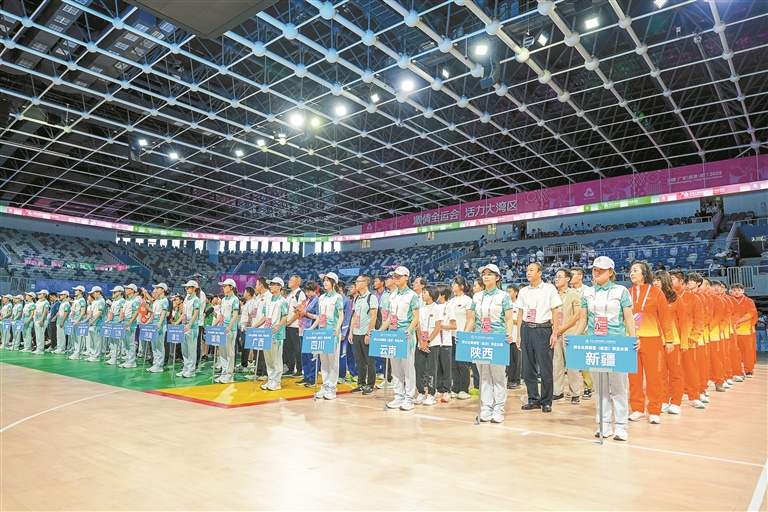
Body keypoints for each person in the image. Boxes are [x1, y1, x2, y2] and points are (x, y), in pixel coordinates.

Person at [570, 256, 638, 441]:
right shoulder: (587, 293)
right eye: (594, 269)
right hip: (595, 344)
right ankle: (604, 424)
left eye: (601, 269)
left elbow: (629, 318)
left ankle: (621, 426)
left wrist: (633, 338)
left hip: (617, 344)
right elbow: (583, 319)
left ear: (611, 272)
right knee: (600, 388)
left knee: (618, 387)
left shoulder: (621, 291)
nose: (597, 272)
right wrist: (574, 337)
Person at [627, 262, 673, 424]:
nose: (632, 273)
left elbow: (665, 318)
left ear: (644, 273)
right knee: (634, 377)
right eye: (631, 271)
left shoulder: (656, 292)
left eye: (635, 270)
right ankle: (638, 409)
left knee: (654, 376)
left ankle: (654, 410)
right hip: (631, 340)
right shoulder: (627, 292)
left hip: (652, 339)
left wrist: (669, 340)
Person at [516, 263, 562, 413]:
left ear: (540, 272)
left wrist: (555, 333)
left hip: (543, 329)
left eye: (531, 270)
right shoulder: (523, 291)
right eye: (527, 270)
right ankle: (533, 399)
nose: (528, 272)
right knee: (528, 368)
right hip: (526, 329)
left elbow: (555, 311)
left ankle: (546, 400)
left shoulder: (549, 289)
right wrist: (519, 335)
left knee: (545, 368)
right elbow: (521, 313)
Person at [474, 263, 516, 423]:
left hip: (497, 339)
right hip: (480, 339)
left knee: (498, 375)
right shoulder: (477, 296)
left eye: (490, 274)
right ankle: (486, 407)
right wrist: (464, 334)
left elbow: (509, 318)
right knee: (484, 374)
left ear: (497, 277)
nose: (486, 276)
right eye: (484, 274)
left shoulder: (503, 296)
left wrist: (509, 333)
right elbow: (472, 319)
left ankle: (499, 408)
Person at [381, 266, 420, 411]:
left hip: (405, 336)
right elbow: (390, 317)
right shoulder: (393, 295)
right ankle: (399, 395)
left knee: (408, 368)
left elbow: (416, 317)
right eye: (394, 276)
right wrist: (380, 331)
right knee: (396, 367)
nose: (396, 278)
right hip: (393, 335)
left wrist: (408, 331)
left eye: (399, 276)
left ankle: (409, 397)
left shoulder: (412, 296)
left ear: (406, 277)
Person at [669, 271, 706, 409]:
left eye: (672, 279)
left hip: (687, 340)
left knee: (690, 369)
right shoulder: (666, 297)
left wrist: (693, 337)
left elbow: (699, 320)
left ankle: (694, 396)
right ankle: (671, 396)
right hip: (670, 341)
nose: (669, 281)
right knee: (671, 371)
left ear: (682, 282)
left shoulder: (693, 298)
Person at [653, 271, 686, 415]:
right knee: (660, 373)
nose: (655, 283)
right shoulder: (652, 297)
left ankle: (676, 402)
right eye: (654, 280)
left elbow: (684, 322)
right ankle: (664, 400)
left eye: (658, 280)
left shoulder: (676, 299)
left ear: (665, 281)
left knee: (675, 373)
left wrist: (683, 343)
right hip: (655, 340)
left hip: (673, 341)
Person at [310, 272, 344, 400]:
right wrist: (312, 328)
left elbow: (341, 316)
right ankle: (325, 385)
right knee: (323, 361)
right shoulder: (322, 298)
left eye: (328, 280)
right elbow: (320, 317)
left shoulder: (338, 298)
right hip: (322, 333)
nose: (325, 282)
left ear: (334, 283)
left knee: (333, 361)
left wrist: (336, 329)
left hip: (332, 333)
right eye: (324, 280)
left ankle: (332, 388)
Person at [552, 269, 583, 404]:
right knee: (556, 364)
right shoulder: (553, 295)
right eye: (556, 277)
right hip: (555, 333)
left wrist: (563, 328)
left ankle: (575, 392)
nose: (556, 279)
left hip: (569, 333)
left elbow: (577, 316)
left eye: (560, 277)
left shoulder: (574, 294)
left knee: (572, 365)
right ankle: (557, 392)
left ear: (567, 279)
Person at [447, 276, 476, 400]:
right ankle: (455, 387)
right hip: (451, 336)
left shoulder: (468, 300)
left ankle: (464, 389)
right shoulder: (451, 301)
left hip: (462, 335)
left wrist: (465, 334)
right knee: (453, 363)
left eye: (455, 284)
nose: (452, 286)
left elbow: (470, 319)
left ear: (461, 286)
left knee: (463, 364)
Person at [350, 275, 378, 395]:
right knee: (359, 360)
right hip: (356, 333)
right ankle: (361, 383)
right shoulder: (357, 298)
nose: (356, 283)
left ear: (365, 283)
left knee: (369, 360)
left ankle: (370, 384)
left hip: (366, 333)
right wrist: (351, 332)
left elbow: (374, 317)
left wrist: (368, 333)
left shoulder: (371, 298)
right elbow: (354, 316)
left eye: (358, 281)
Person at [415, 285, 443, 406]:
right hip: (420, 344)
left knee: (432, 369)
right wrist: (421, 341)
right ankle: (421, 392)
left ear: (431, 294)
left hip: (433, 343)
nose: (423, 294)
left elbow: (437, 328)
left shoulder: (437, 309)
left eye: (425, 292)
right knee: (419, 368)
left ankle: (431, 393)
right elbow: (418, 327)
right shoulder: (420, 309)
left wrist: (428, 342)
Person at [569, 268, 594, 399]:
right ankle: (573, 390)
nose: (570, 277)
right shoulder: (567, 291)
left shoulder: (588, 291)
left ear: (580, 277)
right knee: (572, 362)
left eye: (572, 275)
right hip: (570, 330)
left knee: (585, 361)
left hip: (584, 329)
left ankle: (588, 387)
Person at [261, 277, 289, 391]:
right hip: (267, 332)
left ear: (280, 286)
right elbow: (264, 316)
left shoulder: (283, 301)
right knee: (268, 357)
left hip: (277, 333)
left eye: (274, 284)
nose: (271, 286)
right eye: (270, 284)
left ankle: (277, 381)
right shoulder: (267, 300)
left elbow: (285, 316)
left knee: (276, 357)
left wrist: (278, 326)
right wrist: (256, 327)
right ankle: (271, 379)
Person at [216, 278, 240, 384]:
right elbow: (221, 315)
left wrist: (229, 326)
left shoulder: (235, 299)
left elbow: (235, 315)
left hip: (230, 329)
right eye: (223, 286)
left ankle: (229, 375)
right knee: (222, 352)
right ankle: (224, 373)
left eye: (225, 286)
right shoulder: (224, 299)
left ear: (231, 287)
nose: (223, 288)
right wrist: (214, 326)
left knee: (230, 352)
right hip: (222, 328)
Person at [296, 280, 319, 387]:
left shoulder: (317, 301)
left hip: (311, 330)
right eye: (307, 291)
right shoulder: (305, 300)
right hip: (302, 329)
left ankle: (312, 378)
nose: (308, 293)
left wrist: (306, 313)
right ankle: (306, 376)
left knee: (311, 356)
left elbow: (318, 317)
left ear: (315, 291)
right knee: (304, 355)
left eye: (310, 291)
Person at [731, 283, 757, 378]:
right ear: (730, 291)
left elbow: (751, 313)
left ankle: (749, 370)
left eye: (738, 290)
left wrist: (738, 321)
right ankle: (736, 371)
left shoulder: (748, 301)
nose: (736, 292)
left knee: (747, 351)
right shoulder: (728, 300)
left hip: (745, 330)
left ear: (743, 291)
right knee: (734, 352)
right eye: (734, 290)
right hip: (731, 330)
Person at [142, 284, 169, 372]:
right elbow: (153, 315)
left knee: (159, 345)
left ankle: (159, 365)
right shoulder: (156, 301)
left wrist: (159, 324)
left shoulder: (165, 300)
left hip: (160, 325)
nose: (156, 290)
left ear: (163, 290)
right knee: (154, 344)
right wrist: (147, 323)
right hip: (153, 324)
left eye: (158, 288)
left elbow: (163, 314)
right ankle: (155, 363)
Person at [284, 275, 305, 378]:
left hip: (296, 325)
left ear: (297, 283)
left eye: (291, 280)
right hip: (287, 324)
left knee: (297, 349)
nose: (289, 281)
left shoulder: (300, 294)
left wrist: (290, 321)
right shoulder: (289, 295)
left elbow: (299, 311)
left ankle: (300, 369)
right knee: (288, 348)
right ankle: (290, 368)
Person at [179, 280, 201, 378]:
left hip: (192, 327)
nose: (186, 289)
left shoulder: (196, 300)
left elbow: (195, 314)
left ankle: (191, 370)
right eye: (186, 287)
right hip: (184, 325)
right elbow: (184, 312)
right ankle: (186, 367)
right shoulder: (187, 298)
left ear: (194, 288)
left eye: (188, 287)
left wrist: (189, 325)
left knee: (191, 349)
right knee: (185, 349)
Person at [119, 284, 141, 369]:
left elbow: (136, 312)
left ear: (133, 290)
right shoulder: (127, 300)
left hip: (131, 324)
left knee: (131, 343)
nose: (126, 290)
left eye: (128, 289)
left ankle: (132, 361)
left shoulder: (135, 300)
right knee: (126, 343)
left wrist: (130, 322)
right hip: (124, 323)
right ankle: (128, 360)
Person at [505, 284, 522, 389]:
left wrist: (513, 321)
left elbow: (520, 320)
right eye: (507, 291)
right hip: (508, 336)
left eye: (510, 291)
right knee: (509, 360)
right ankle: (510, 379)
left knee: (518, 360)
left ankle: (517, 380)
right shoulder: (506, 304)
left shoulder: (519, 305)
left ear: (515, 293)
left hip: (517, 336)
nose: (508, 293)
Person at [105, 287, 126, 364]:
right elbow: (111, 313)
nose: (113, 293)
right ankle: (113, 356)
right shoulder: (114, 301)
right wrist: (107, 321)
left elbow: (122, 312)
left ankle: (116, 358)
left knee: (117, 341)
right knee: (112, 341)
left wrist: (119, 321)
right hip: (111, 322)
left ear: (120, 292)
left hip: (117, 323)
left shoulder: (122, 301)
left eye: (115, 292)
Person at [31, 289, 51, 355]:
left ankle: (41, 349)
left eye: (40, 294)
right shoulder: (38, 302)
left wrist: (41, 320)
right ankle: (38, 348)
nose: (38, 295)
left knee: (40, 334)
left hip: (41, 320)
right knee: (37, 335)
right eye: (38, 294)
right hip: (36, 319)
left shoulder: (46, 302)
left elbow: (45, 312)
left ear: (45, 295)